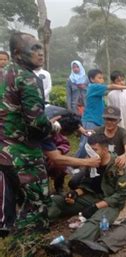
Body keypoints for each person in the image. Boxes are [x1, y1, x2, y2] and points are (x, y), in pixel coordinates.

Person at [44, 133, 126, 257]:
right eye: (89, 149)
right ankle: (41, 222)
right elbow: (86, 185)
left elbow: (121, 196)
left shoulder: (119, 165)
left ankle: (70, 243)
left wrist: (95, 207)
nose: (91, 152)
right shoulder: (91, 162)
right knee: (57, 200)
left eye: (95, 149)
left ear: (105, 149)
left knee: (98, 219)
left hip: (110, 202)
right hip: (92, 197)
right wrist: (75, 193)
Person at [0, 33, 52, 241]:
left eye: (41, 48)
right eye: (34, 49)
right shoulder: (28, 78)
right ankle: (21, 252)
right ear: (17, 54)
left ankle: (13, 241)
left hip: (4, 152)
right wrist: (54, 127)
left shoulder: (3, 73)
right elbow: (36, 123)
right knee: (37, 202)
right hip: (23, 152)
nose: (40, 53)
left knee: (15, 199)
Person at [76, 69, 126, 158]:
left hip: (96, 121)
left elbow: (109, 92)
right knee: (85, 144)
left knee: (95, 144)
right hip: (90, 121)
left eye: (103, 78)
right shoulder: (94, 87)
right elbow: (111, 87)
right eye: (99, 78)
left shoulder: (96, 90)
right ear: (92, 79)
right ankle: (75, 164)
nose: (102, 80)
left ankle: (90, 164)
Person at [69, 106, 126, 190]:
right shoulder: (97, 131)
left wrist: (125, 155)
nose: (109, 122)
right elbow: (89, 149)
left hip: (114, 165)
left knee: (118, 188)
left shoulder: (124, 133)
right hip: (96, 163)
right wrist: (85, 165)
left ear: (118, 121)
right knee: (74, 182)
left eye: (113, 120)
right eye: (107, 119)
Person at [42, 105, 101, 194]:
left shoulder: (59, 113)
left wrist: (82, 130)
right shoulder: (43, 129)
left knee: (60, 165)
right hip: (25, 150)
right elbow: (56, 158)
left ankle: (58, 186)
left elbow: (70, 117)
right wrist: (87, 162)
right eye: (63, 133)